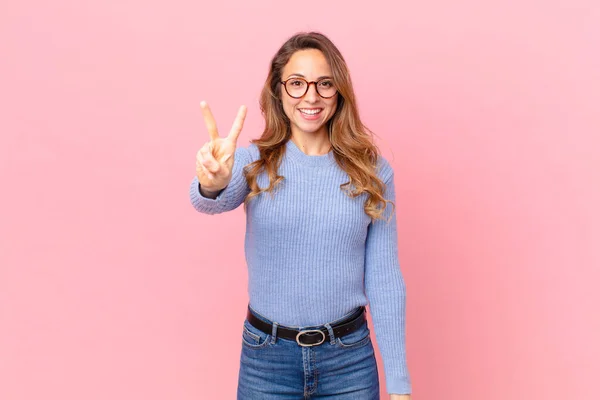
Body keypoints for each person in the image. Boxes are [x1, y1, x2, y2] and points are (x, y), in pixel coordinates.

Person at [190, 31, 412, 399]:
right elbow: (208, 201)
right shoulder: (253, 162)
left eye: (324, 83)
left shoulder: (373, 172)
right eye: (297, 83)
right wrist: (211, 182)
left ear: (339, 91)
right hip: (267, 360)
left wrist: (400, 385)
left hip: (349, 361)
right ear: (279, 91)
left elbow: (385, 277)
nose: (311, 96)